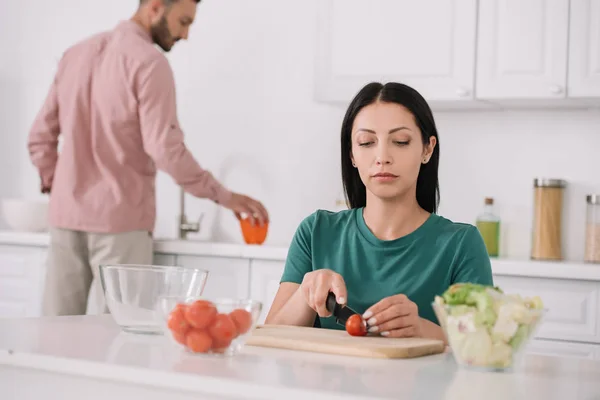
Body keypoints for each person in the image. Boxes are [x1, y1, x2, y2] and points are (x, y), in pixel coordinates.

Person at [27, 0, 269, 316]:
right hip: (120, 224)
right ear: (155, 7)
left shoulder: (76, 54)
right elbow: (166, 150)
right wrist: (225, 196)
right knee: (116, 337)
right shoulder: (149, 63)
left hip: (64, 220)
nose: (185, 35)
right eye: (183, 21)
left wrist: (59, 187)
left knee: (54, 333)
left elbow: (38, 138)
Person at [265, 82, 492, 341]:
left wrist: (421, 329)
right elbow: (269, 340)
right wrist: (307, 292)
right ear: (351, 153)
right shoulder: (316, 232)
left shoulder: (461, 244)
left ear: (427, 149)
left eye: (400, 141)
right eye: (366, 142)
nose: (382, 156)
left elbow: (482, 347)